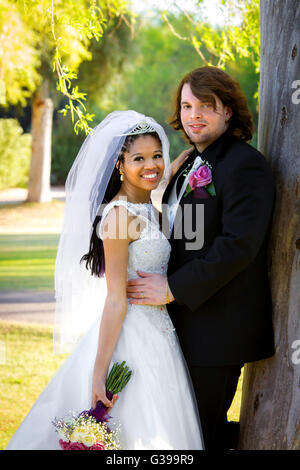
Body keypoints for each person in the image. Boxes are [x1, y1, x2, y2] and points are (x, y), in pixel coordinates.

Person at [6, 110, 203, 450]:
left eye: (156, 155)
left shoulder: (147, 205)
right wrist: (99, 373)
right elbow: (114, 298)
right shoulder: (119, 215)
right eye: (138, 158)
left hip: (160, 335)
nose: (150, 165)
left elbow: (161, 179)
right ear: (119, 165)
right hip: (131, 339)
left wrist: (190, 156)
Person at [127, 67, 276, 450]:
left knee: (201, 435)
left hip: (217, 333)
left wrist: (173, 287)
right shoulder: (188, 166)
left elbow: (238, 245)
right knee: (177, 435)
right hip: (178, 328)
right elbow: (188, 239)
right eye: (187, 105)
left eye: (206, 106)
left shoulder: (246, 166)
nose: (193, 114)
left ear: (228, 111)